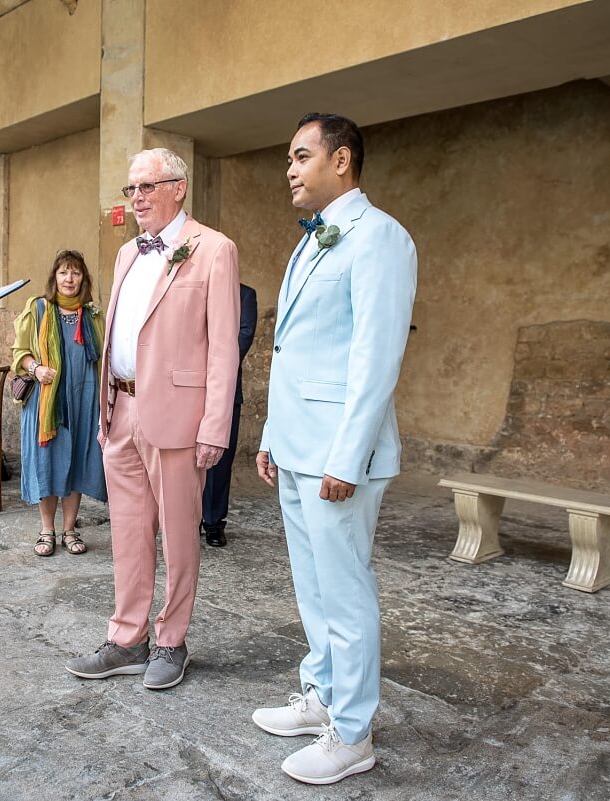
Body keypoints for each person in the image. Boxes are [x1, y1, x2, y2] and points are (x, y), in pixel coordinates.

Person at [252, 113, 417, 784]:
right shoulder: (313, 240)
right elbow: (295, 351)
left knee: (344, 592)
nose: (290, 169)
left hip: (336, 457)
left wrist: (346, 458)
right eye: (288, 158)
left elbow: (376, 358)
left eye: (301, 156)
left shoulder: (379, 237)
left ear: (342, 160)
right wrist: (269, 434)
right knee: (313, 587)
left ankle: (353, 731)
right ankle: (322, 693)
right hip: (296, 445)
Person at [65, 148, 240, 690]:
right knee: (128, 531)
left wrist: (215, 426)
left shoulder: (213, 250)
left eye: (147, 187)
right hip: (120, 410)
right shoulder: (125, 256)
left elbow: (223, 348)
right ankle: (127, 638)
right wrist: (105, 411)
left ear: (178, 188)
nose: (136, 198)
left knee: (180, 535)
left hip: (179, 417)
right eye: (131, 189)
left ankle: (171, 640)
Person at [10, 249, 107, 556]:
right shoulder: (37, 309)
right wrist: (36, 368)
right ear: (54, 277)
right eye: (64, 272)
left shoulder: (92, 316)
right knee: (47, 462)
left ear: (83, 279)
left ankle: (69, 529)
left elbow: (104, 359)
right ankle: (46, 530)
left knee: (77, 459)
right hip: (45, 403)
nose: (69, 278)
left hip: (83, 400)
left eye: (75, 273)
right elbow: (19, 353)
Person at [200, 282, 257, 547]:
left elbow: (243, 337)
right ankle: (186, 520)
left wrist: (211, 363)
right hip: (187, 389)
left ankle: (213, 522)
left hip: (226, 389)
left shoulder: (245, 294)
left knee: (219, 460)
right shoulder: (195, 289)